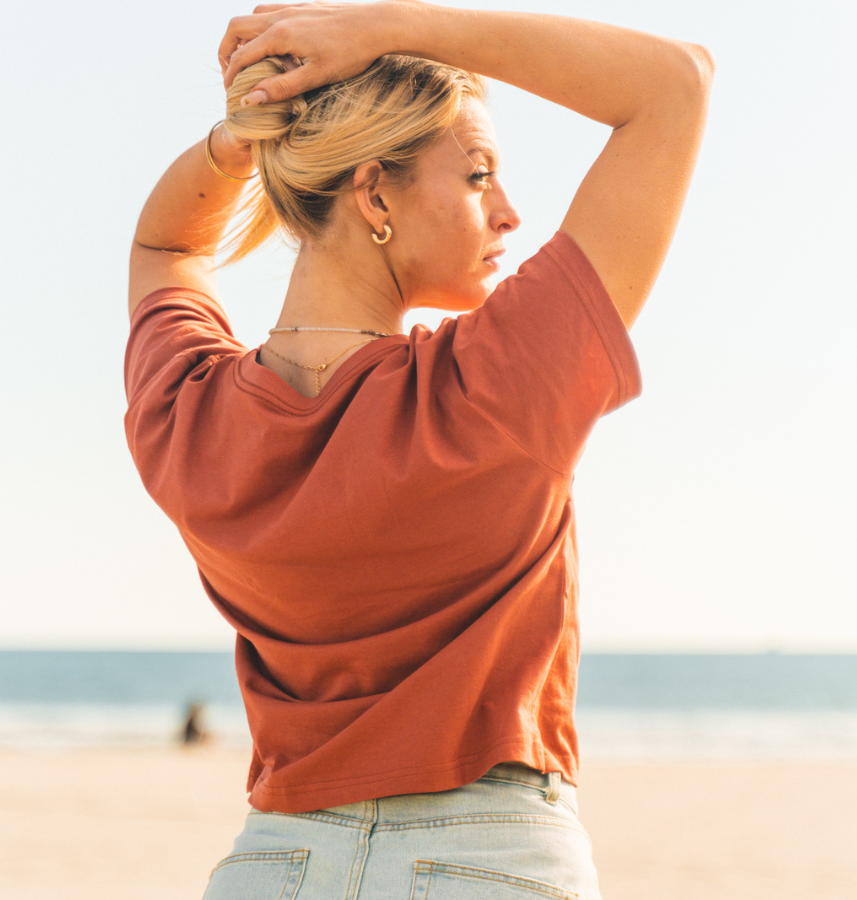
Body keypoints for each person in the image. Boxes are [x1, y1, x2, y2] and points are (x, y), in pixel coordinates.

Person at [124, 2, 713, 897]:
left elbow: (167, 244)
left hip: (274, 867)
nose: (511, 213)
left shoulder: (187, 414)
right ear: (373, 194)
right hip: (492, 861)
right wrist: (383, 30)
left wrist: (244, 138)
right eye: (479, 176)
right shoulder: (502, 385)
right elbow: (675, 84)